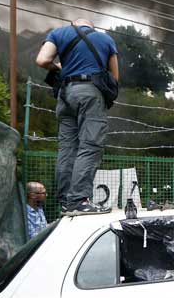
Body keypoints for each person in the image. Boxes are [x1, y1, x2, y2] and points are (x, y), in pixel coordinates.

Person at [36, 19, 119, 215]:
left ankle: (66, 201)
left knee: (67, 148)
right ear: (91, 27)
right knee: (90, 145)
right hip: (89, 94)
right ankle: (80, 200)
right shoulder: (105, 39)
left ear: (73, 24)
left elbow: (42, 60)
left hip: (65, 95)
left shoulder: (59, 33)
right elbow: (115, 77)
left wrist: (61, 70)